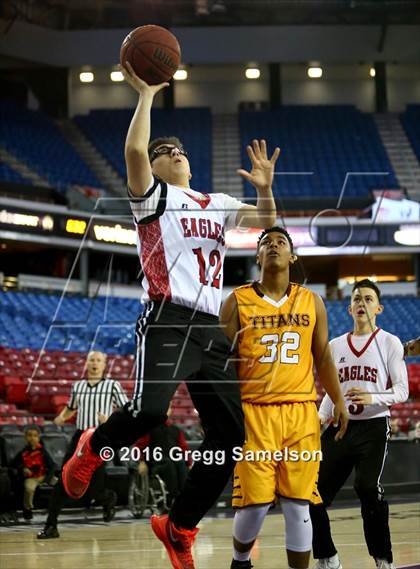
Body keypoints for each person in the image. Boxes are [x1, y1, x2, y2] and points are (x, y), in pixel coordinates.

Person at [62, 62, 280, 569]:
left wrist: (265, 188)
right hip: (165, 317)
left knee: (233, 439)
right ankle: (95, 442)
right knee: (150, 413)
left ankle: (178, 526)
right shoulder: (153, 198)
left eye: (177, 149)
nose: (172, 152)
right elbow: (136, 150)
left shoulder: (217, 202)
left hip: (212, 326)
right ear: (157, 168)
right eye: (165, 151)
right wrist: (146, 93)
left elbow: (267, 225)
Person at [220, 226, 348, 569]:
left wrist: (338, 400)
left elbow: (322, 357)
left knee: (298, 503)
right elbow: (220, 365)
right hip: (254, 413)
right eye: (266, 243)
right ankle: (240, 560)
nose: (273, 246)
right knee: (254, 504)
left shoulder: (312, 301)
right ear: (257, 256)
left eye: (281, 243)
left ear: (292, 256)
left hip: (300, 412)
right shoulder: (235, 301)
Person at [310, 279, 409, 569]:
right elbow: (332, 391)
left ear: (378, 307)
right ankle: (328, 557)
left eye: (367, 298)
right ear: (350, 307)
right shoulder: (335, 345)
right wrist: (318, 419)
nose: (361, 303)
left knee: (367, 487)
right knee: (311, 493)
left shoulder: (389, 342)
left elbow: (402, 391)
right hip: (341, 427)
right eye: (356, 299)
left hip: (374, 426)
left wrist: (372, 397)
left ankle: (382, 559)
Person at [37, 351, 127, 539]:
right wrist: (60, 418)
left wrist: (110, 420)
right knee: (63, 479)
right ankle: (51, 525)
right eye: (92, 360)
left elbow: (126, 411)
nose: (95, 363)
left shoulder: (112, 385)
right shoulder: (77, 386)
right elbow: (71, 408)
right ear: (86, 364)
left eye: (98, 360)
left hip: (100, 437)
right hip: (79, 436)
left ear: (104, 365)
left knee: (92, 490)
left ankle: (107, 497)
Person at [134, 407, 192, 507]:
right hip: (155, 462)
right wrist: (141, 462)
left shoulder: (176, 429)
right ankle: (172, 497)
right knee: (168, 463)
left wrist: (190, 463)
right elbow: (139, 447)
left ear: (170, 411)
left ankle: (184, 496)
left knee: (181, 463)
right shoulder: (149, 428)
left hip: (173, 460)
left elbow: (184, 448)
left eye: (167, 408)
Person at [10, 425, 55, 520]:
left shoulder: (43, 451)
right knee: (29, 488)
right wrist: (22, 468)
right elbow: (13, 464)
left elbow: (52, 466)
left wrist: (48, 479)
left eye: (35, 436)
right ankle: (27, 508)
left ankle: (56, 507)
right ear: (25, 438)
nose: (32, 438)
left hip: (44, 475)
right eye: (29, 435)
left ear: (38, 438)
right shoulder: (23, 453)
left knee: (61, 484)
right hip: (32, 478)